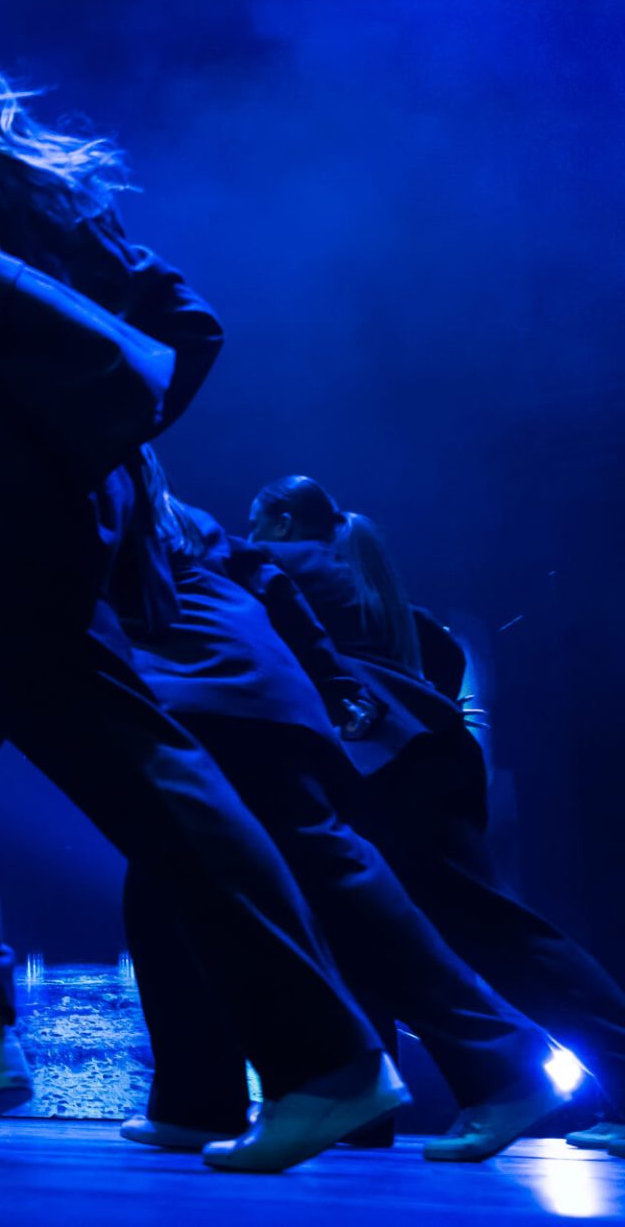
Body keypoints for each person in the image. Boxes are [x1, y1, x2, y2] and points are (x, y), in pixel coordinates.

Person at [0, 49, 392, 1170]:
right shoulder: (54, 196)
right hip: (44, 519)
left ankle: (329, 1060)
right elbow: (185, 323)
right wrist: (95, 440)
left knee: (141, 772)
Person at [251, 475, 625, 1154]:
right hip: (416, 770)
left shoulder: (289, 573)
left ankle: (385, 1114)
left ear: (280, 523)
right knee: (380, 933)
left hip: (387, 774)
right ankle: (369, 1122)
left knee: (487, 934)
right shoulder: (396, 611)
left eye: (257, 522)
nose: (248, 537)